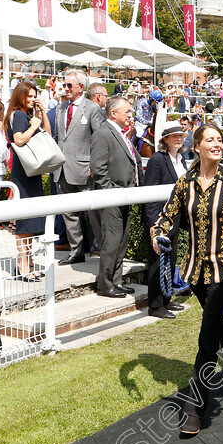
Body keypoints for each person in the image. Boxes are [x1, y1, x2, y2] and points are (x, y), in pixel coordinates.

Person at [151, 123, 223, 437]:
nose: (217, 143)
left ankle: (195, 406)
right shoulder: (186, 183)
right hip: (195, 269)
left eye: (220, 140)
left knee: (208, 332)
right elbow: (167, 216)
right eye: (210, 139)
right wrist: (158, 235)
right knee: (217, 319)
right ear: (197, 147)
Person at [90, 96, 141, 298]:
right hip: (112, 197)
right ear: (114, 113)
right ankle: (104, 283)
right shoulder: (103, 133)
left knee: (121, 242)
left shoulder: (121, 133)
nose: (130, 115)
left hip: (125, 197)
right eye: (127, 111)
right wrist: (112, 192)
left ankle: (116, 281)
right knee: (111, 242)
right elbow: (98, 169)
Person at [53, 69, 104, 265]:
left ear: (80, 87)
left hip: (85, 170)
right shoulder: (60, 109)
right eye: (64, 85)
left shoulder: (92, 108)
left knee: (94, 214)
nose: (65, 89)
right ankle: (77, 251)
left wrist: (95, 164)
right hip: (63, 170)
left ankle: (103, 249)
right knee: (69, 213)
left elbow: (100, 139)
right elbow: (58, 138)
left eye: (69, 85)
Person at [5, 81, 51, 280]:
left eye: (35, 95)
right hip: (23, 172)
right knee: (24, 222)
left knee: (31, 222)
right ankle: (23, 264)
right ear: (20, 96)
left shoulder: (28, 116)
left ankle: (29, 262)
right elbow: (19, 140)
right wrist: (33, 126)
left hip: (31, 172)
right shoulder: (18, 115)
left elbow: (48, 134)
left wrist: (42, 114)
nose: (33, 99)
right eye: (30, 96)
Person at [143, 125, 189, 319]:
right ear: (165, 140)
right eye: (174, 136)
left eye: (181, 136)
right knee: (157, 262)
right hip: (160, 219)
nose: (178, 139)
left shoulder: (182, 159)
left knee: (170, 260)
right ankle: (154, 306)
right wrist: (154, 224)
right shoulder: (157, 160)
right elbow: (150, 194)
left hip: (176, 218)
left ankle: (166, 299)